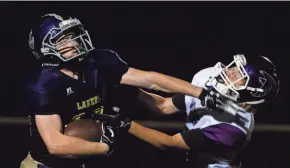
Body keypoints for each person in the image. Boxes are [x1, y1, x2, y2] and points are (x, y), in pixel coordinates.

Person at [20, 13, 210, 168]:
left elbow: (150, 80)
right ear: (45, 48)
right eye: (63, 40)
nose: (73, 42)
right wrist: (103, 146)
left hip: (87, 161)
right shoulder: (44, 84)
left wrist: (200, 92)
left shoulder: (99, 63)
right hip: (48, 164)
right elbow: (55, 145)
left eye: (72, 35)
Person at [113, 54, 280, 168]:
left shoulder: (233, 128)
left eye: (238, 75)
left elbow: (167, 143)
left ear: (251, 93)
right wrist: (133, 91)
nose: (229, 71)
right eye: (235, 67)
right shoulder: (211, 86)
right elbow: (164, 106)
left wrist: (123, 122)